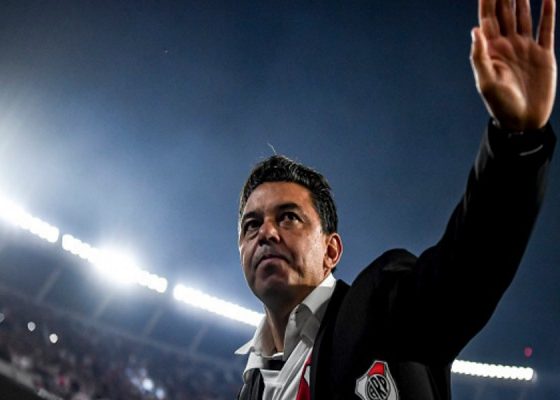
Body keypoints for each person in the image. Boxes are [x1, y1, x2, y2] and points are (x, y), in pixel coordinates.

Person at [235, 0, 557, 399]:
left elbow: (465, 272)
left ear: (331, 251)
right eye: (251, 224)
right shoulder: (251, 386)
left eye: (288, 217)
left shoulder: (379, 310)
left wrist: (517, 141)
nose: (266, 232)